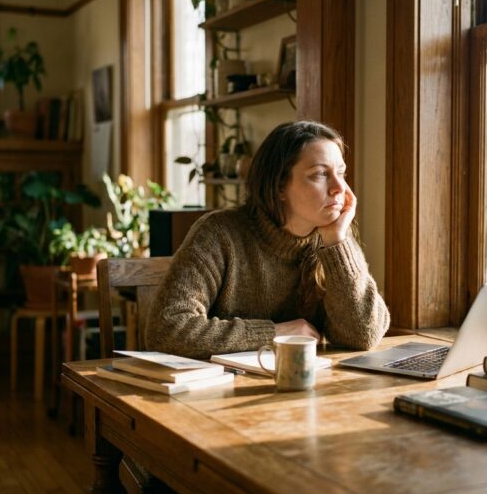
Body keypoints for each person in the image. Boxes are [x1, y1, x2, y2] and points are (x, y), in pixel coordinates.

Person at [146, 120, 390, 359]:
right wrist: (274, 333)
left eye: (340, 173)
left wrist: (337, 242)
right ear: (279, 187)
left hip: (303, 389)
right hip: (217, 392)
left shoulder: (334, 237)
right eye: (319, 174)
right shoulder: (219, 233)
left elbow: (363, 336)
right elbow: (167, 329)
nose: (340, 187)